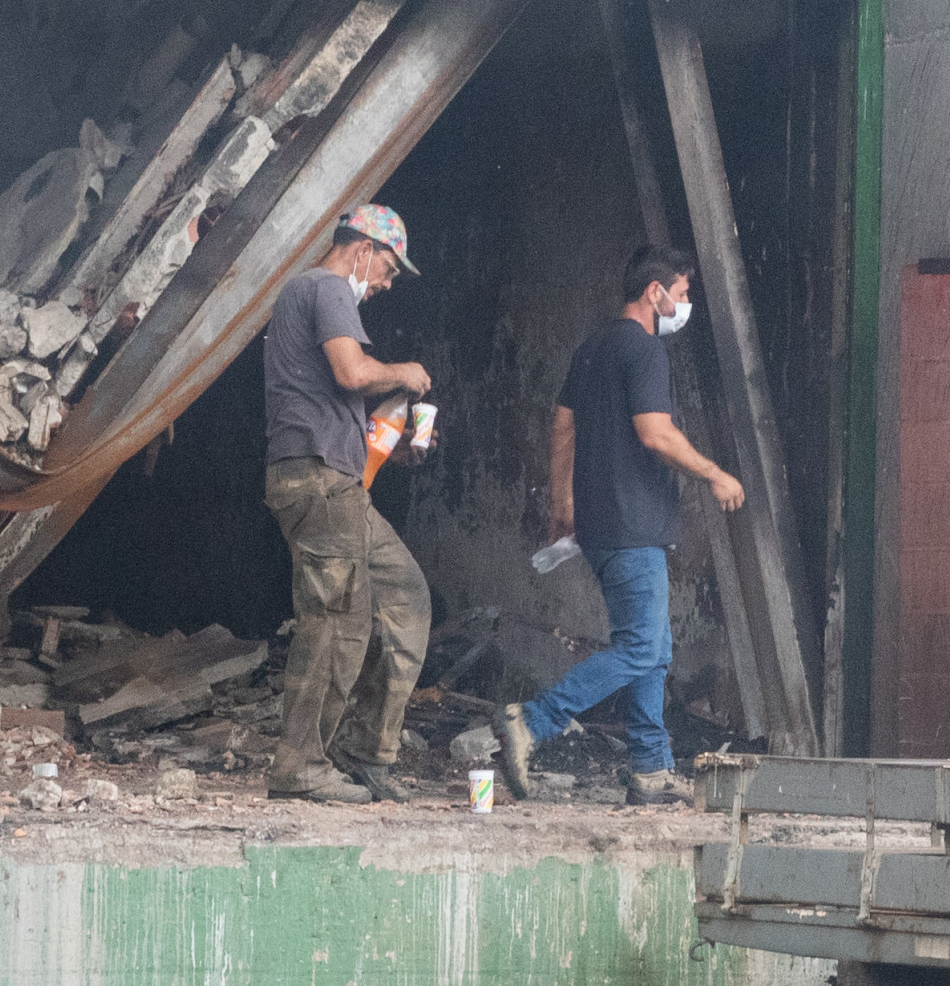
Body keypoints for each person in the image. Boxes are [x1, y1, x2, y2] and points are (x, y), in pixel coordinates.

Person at [493, 244, 745, 805]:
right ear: (655, 292)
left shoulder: (591, 348)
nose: (684, 304)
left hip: (604, 524)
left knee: (654, 649)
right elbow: (655, 433)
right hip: (634, 524)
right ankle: (533, 721)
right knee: (638, 649)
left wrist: (564, 504)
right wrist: (715, 474)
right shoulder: (645, 351)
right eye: (681, 294)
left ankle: (651, 769)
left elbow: (562, 425)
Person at [261, 204, 434, 804]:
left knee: (404, 595)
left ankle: (360, 752)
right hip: (318, 480)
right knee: (336, 620)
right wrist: (404, 373)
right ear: (360, 249)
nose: (384, 285)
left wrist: (400, 448)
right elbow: (350, 371)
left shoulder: (313, 294)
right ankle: (300, 766)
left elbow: (342, 402)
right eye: (386, 269)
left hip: (338, 480)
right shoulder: (327, 286)